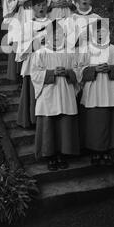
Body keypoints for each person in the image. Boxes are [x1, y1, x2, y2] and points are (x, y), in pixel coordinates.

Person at [76, 19, 114, 165]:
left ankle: (107, 151)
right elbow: (78, 70)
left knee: (109, 121)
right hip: (93, 91)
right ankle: (94, 151)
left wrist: (112, 69)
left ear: (108, 33)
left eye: (103, 31)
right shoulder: (86, 49)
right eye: (97, 32)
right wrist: (93, 70)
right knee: (93, 122)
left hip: (109, 91)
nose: (100, 34)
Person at [30, 20, 80, 171]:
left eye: (59, 33)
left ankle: (62, 154)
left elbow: (78, 71)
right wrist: (52, 73)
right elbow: (34, 74)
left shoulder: (69, 54)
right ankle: (49, 156)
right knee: (48, 125)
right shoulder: (40, 54)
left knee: (64, 125)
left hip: (64, 93)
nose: (56, 36)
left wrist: (68, 73)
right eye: (53, 34)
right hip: (48, 94)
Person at [3, 0, 43, 81]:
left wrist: (35, 2)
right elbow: (7, 3)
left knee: (33, 43)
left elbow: (44, 2)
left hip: (33, 17)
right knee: (18, 43)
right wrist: (19, 2)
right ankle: (18, 76)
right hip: (19, 17)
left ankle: (32, 74)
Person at [16, 0, 51, 128]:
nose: (41, 7)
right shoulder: (27, 25)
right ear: (33, 8)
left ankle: (46, 121)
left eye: (43, 4)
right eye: (38, 5)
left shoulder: (53, 23)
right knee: (32, 91)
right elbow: (21, 49)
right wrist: (38, 42)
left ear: (47, 6)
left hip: (48, 62)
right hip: (33, 63)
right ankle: (32, 120)